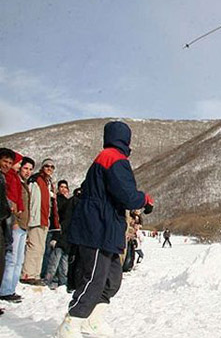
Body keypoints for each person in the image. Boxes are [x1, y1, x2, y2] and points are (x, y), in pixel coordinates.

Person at [56, 121, 154, 338]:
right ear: (125, 139)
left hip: (107, 227)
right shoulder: (114, 158)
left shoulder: (109, 158)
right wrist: (144, 199)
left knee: (112, 279)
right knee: (94, 277)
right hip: (98, 227)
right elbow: (127, 194)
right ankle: (71, 322)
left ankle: (92, 319)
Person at [21, 158, 60, 285]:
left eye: (52, 167)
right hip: (36, 218)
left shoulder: (48, 183)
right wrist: (30, 218)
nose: (49, 168)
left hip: (44, 220)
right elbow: (31, 200)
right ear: (42, 167)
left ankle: (35, 274)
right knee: (34, 247)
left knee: (40, 248)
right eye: (47, 166)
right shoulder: (37, 180)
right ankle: (28, 274)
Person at [0, 156, 34, 301]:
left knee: (19, 259)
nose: (27, 171)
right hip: (15, 222)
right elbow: (11, 201)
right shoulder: (10, 179)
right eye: (24, 167)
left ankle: (11, 288)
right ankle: (5, 290)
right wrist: (13, 220)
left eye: (30, 169)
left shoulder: (24, 184)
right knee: (11, 258)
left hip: (24, 224)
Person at [0, 148, 16, 313]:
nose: (7, 165)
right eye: (5, 161)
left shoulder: (3, 177)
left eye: (10, 163)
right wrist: (7, 210)